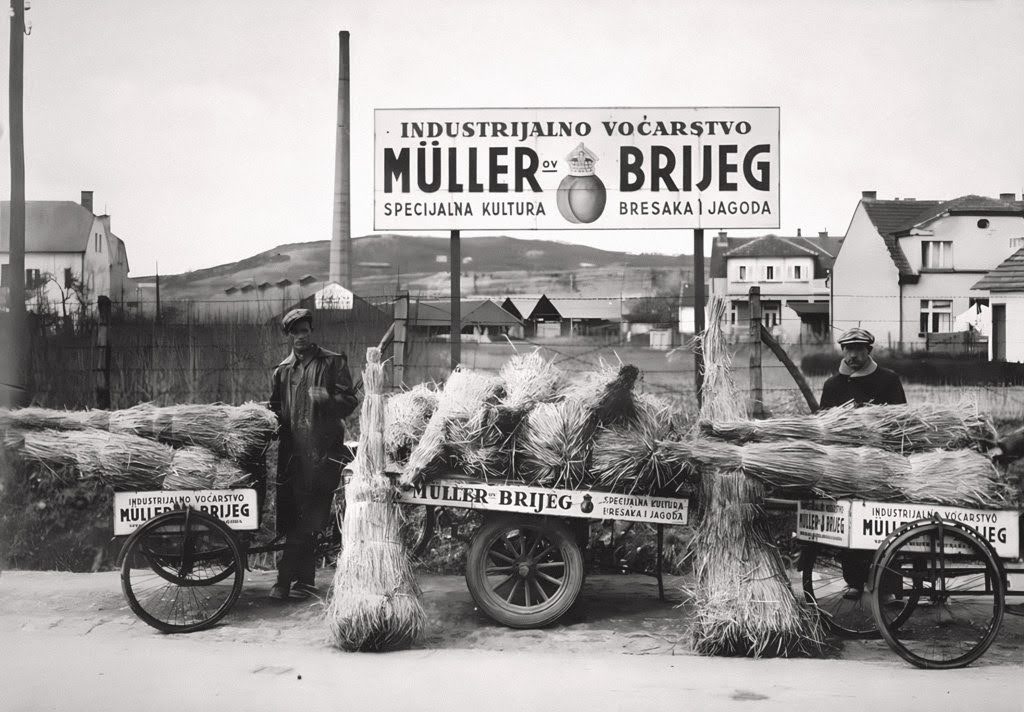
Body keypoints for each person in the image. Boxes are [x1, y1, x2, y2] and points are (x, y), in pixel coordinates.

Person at [268, 308, 358, 601]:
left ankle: (283, 580)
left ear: (311, 332)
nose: (301, 337)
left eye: (305, 331)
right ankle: (304, 580)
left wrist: (328, 400)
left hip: (323, 454)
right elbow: (276, 410)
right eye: (296, 333)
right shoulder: (282, 371)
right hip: (293, 455)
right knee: (296, 517)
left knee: (308, 518)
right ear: (290, 336)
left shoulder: (332, 362)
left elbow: (349, 401)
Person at [819, 327, 906, 600]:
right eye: (848, 349)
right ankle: (854, 581)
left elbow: (901, 421)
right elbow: (824, 425)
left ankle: (891, 587)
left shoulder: (888, 380)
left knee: (886, 524)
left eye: (859, 349)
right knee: (851, 522)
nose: (853, 355)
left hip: (882, 464)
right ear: (843, 351)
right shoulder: (832, 386)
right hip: (847, 466)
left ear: (869, 350)